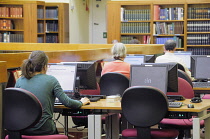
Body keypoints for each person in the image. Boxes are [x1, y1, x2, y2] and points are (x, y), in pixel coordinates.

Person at [15, 51, 90, 135]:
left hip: (23, 129)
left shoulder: (20, 81)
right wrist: (81, 102)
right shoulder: (51, 80)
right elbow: (67, 102)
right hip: (44, 129)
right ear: (45, 66)